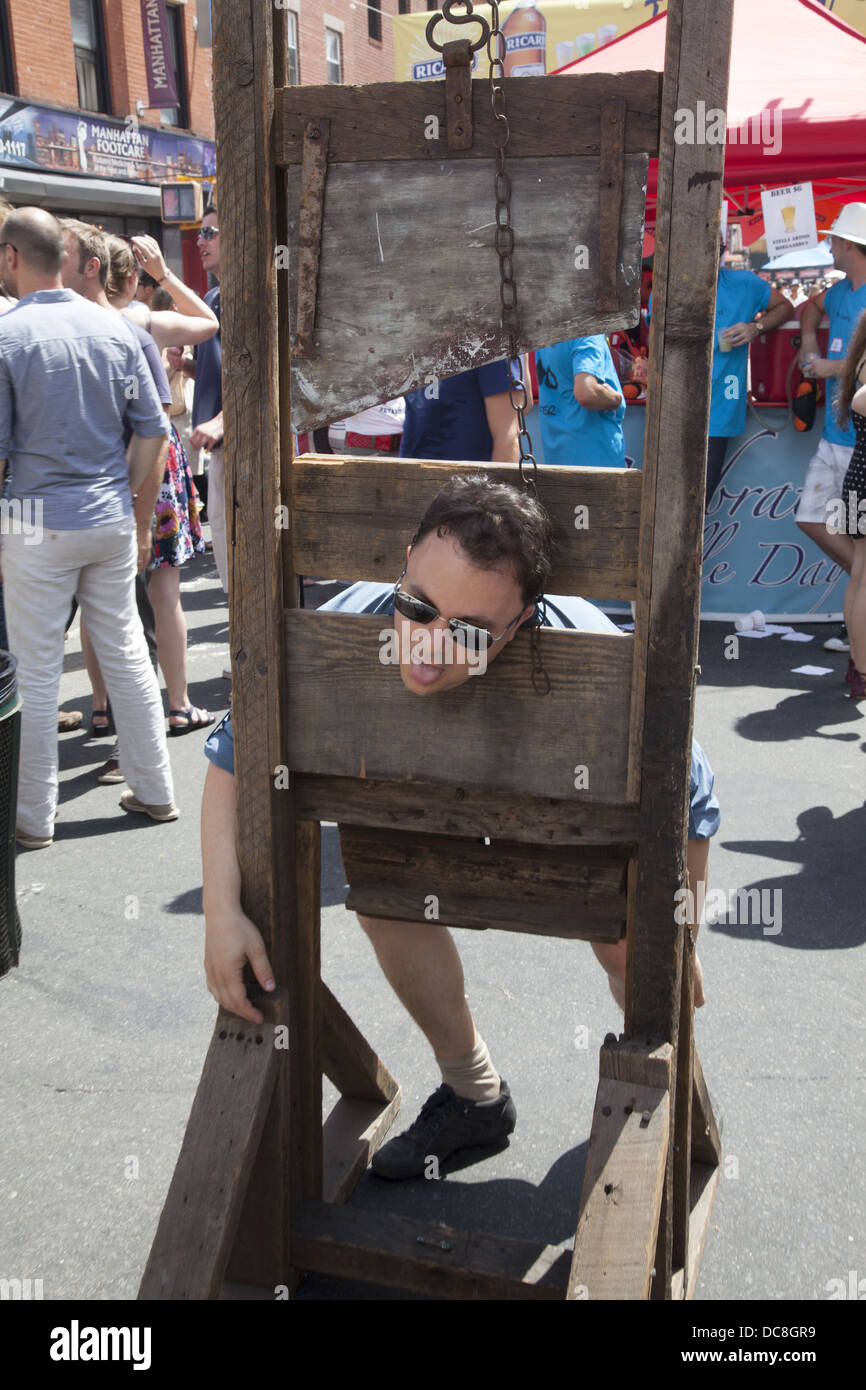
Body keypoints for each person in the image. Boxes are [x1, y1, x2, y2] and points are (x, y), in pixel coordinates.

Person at [200, 474, 720, 1179]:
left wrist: (681, 922)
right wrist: (221, 912)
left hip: (569, 831)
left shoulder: (590, 651)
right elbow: (235, 756)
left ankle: (664, 1100)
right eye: (417, 605)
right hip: (429, 824)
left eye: (470, 633)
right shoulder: (344, 622)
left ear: (521, 623)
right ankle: (474, 1095)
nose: (428, 644)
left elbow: (693, 786)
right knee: (386, 896)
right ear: (406, 561)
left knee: (633, 951)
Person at [0, 207, 177, 847]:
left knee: (38, 666)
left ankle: (32, 818)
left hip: (34, 519)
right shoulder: (116, 330)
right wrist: (127, 501)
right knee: (128, 653)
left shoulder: (6, 334)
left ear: (12, 258)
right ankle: (156, 791)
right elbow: (155, 428)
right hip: (106, 514)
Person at [797, 204, 866, 655]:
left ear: (852, 246)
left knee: (859, 548)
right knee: (810, 518)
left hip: (859, 441)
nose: (829, 244)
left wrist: (829, 366)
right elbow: (807, 309)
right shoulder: (841, 293)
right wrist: (808, 340)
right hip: (838, 434)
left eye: (835, 239)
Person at [167, 207, 225, 596]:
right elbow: (222, 369)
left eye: (210, 232)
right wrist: (187, 365)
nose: (200, 240)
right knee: (226, 550)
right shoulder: (214, 296)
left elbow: (270, 376)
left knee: (242, 552)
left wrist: (224, 420)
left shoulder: (253, 294)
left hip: (247, 446)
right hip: (222, 447)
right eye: (199, 233)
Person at [831, 310, 866, 698]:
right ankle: (861, 669)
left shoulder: (860, 353)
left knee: (860, 573)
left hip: (858, 473)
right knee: (864, 576)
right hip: (863, 476)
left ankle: (858, 664)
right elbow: (859, 401)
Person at [400, 360, 523, 464]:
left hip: (468, 484)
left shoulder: (490, 342)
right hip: (413, 476)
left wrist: (496, 490)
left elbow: (507, 436)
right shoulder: (414, 342)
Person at [534, 335, 625, 467]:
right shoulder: (589, 332)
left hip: (557, 457)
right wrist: (616, 400)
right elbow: (586, 393)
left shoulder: (547, 329)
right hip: (596, 459)